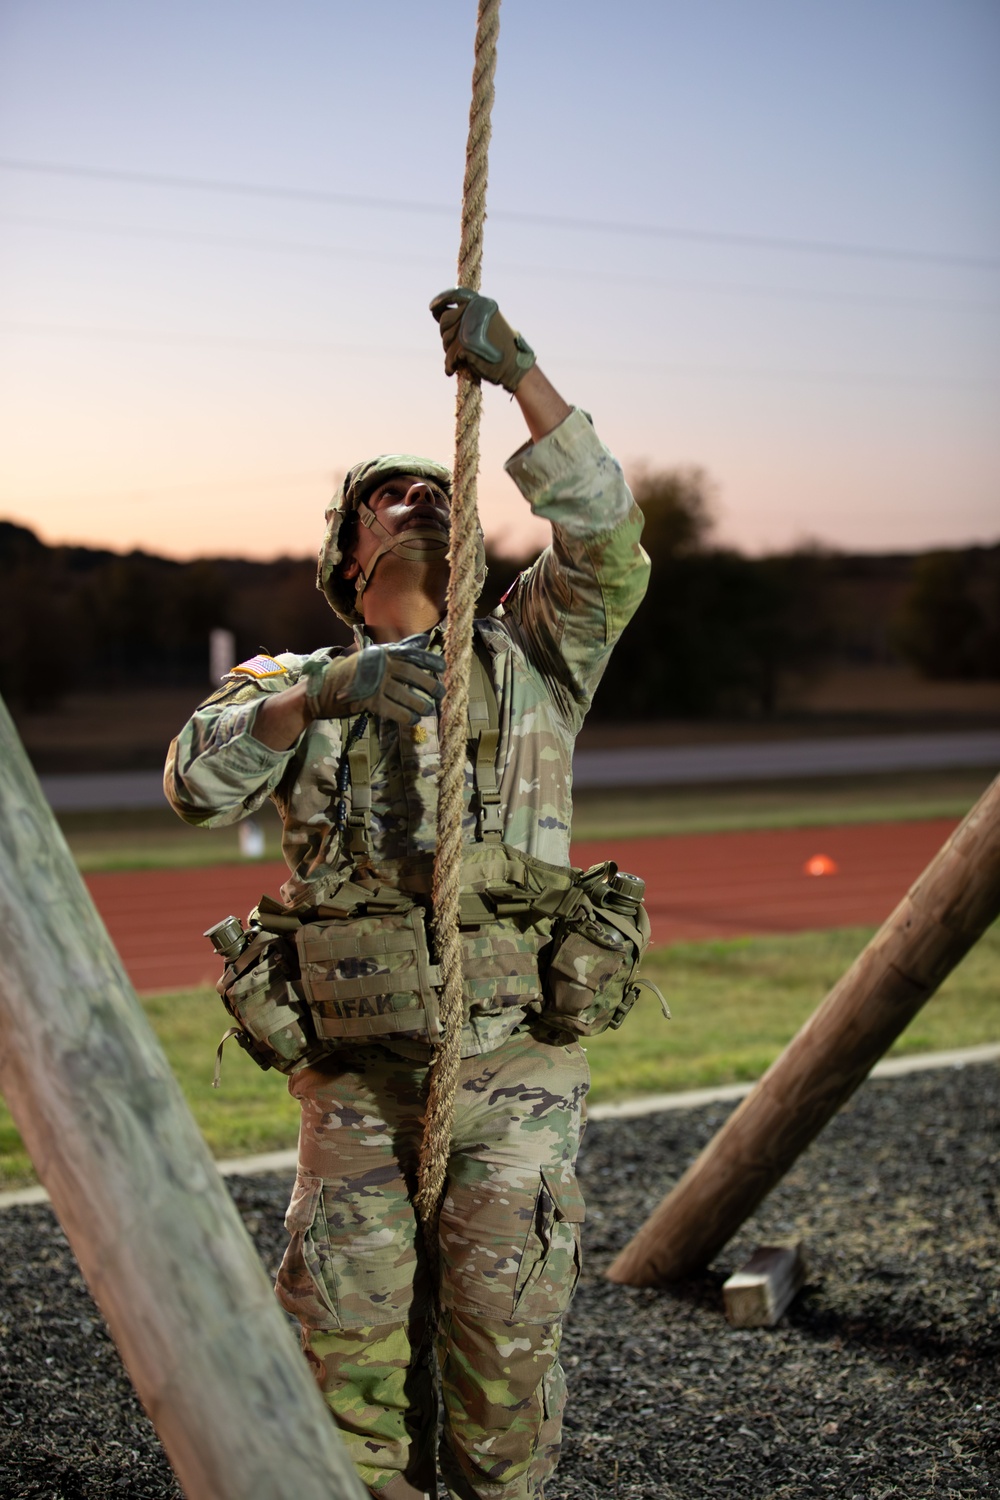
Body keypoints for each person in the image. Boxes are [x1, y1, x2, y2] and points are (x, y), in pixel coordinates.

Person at [164, 289, 650, 1500]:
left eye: (441, 487)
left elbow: (608, 541)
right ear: (346, 554)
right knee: (349, 1366)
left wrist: (522, 374)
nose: (423, 496)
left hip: (516, 1075)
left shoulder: (536, 651)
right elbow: (193, 782)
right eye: (393, 492)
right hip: (361, 1090)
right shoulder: (298, 682)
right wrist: (317, 700)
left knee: (503, 1368)